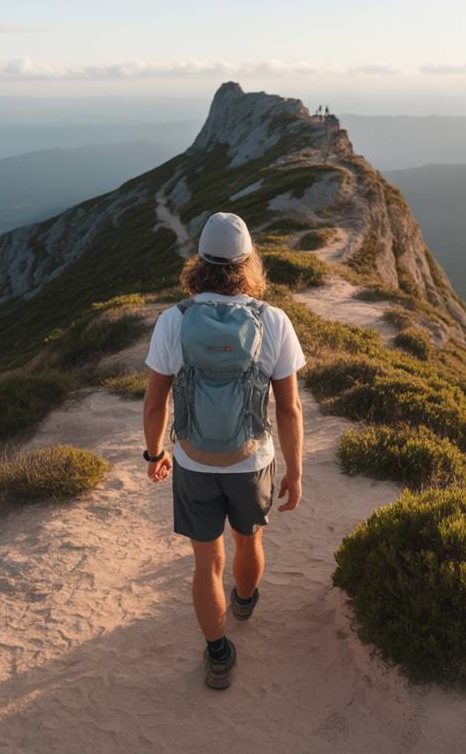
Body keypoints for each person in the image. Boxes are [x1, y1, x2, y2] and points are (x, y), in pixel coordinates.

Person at [142, 211, 306, 690]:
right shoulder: (273, 320)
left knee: (206, 563)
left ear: (200, 262)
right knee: (249, 542)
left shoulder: (174, 321)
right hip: (251, 461)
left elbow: (154, 403)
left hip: (193, 461)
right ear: (248, 263)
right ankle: (245, 601)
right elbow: (290, 408)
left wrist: (156, 453)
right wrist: (294, 471)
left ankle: (217, 655)